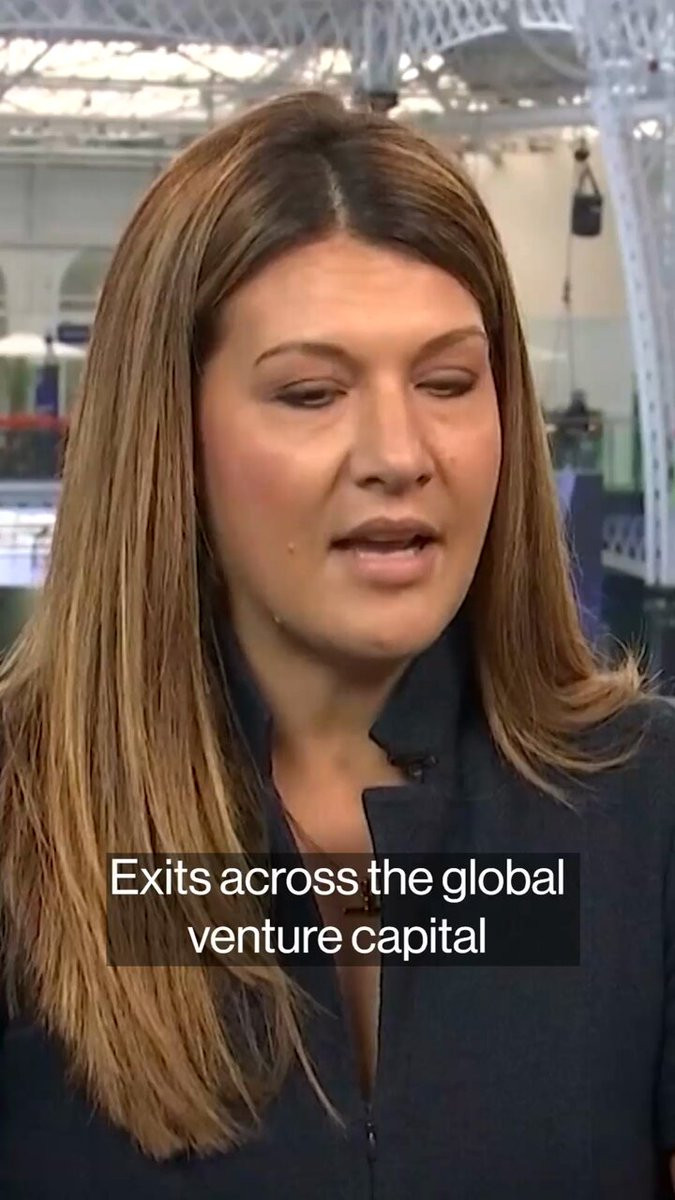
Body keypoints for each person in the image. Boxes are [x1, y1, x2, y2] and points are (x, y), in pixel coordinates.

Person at [0, 88, 674, 1199]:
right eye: (312, 393)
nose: (399, 453)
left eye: (448, 382)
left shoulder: (643, 809)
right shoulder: (23, 820)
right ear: (169, 436)